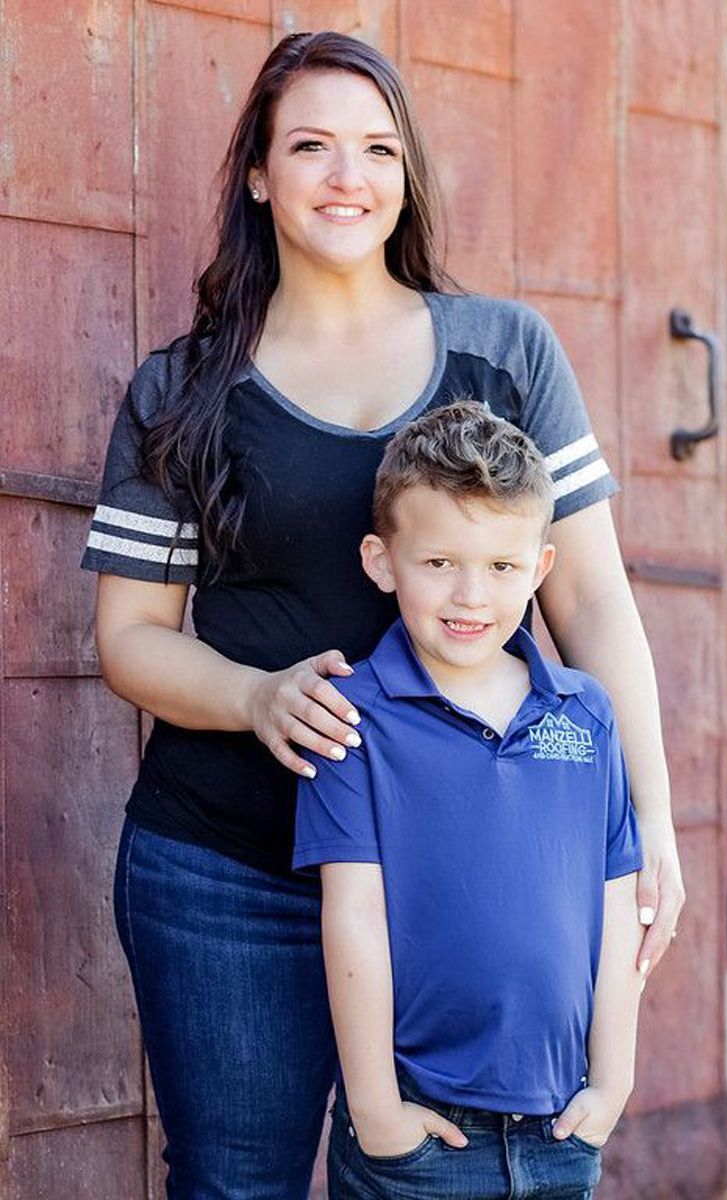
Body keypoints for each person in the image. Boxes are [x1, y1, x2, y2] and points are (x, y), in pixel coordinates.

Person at [82, 28, 681, 1200]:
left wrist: (647, 811)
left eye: (376, 150)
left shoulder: (503, 352)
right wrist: (254, 696)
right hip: (228, 870)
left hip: (467, 880)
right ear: (257, 172)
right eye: (309, 145)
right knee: (234, 1184)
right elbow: (130, 640)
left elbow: (593, 600)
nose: (345, 176)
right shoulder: (183, 385)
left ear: (405, 178)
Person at [293, 401, 645, 1200]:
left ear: (541, 568)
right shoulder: (355, 717)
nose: (469, 595)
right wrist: (378, 1110)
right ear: (382, 561)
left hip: (560, 1128)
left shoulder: (583, 714)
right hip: (421, 1133)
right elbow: (352, 916)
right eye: (439, 562)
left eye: (500, 566)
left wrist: (613, 1080)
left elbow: (616, 904)